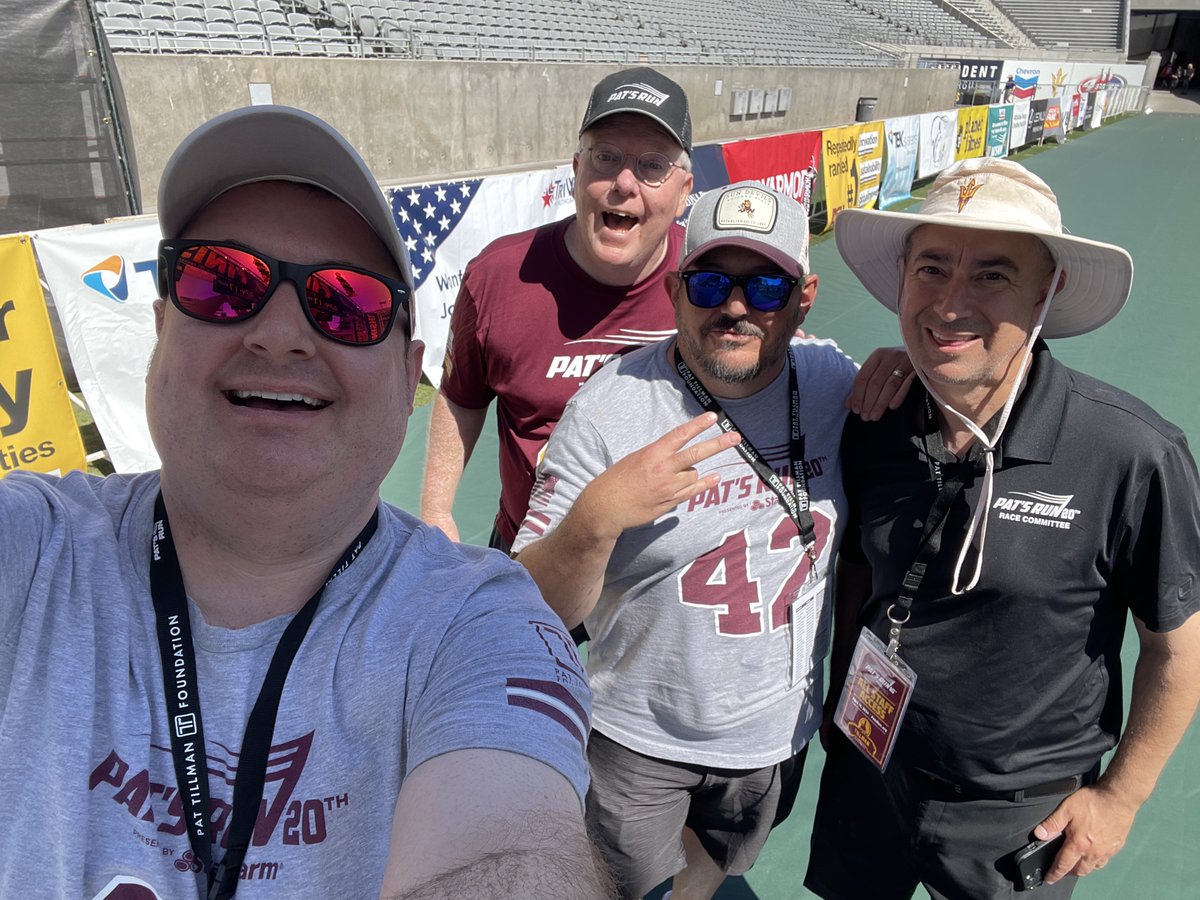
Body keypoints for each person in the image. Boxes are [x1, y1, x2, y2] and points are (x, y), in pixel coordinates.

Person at [0, 106, 610, 899]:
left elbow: (508, 856)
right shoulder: (33, 546)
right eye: (222, 282)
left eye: (347, 303)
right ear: (160, 330)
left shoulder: (477, 623)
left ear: (406, 374)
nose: (280, 333)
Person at [806, 157, 1200, 899]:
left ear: (1046, 290)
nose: (950, 303)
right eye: (931, 269)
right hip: (868, 763)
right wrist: (838, 700)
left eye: (991, 274)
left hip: (1023, 817)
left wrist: (1120, 799)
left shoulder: (1129, 452)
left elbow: (1177, 651)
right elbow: (858, 566)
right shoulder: (875, 422)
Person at [513, 182, 860, 900]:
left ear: (805, 294)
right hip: (638, 741)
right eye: (710, 282)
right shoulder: (610, 408)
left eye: (767, 285)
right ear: (675, 289)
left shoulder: (838, 384)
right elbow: (530, 606)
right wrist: (597, 517)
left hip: (773, 734)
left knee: (711, 870)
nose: (736, 307)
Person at [420, 66, 694, 552]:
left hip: (661, 568)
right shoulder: (499, 275)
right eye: (605, 157)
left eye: (653, 165)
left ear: (684, 191)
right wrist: (437, 511)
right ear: (575, 170)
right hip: (531, 552)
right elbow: (461, 394)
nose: (625, 183)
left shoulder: (709, 282)